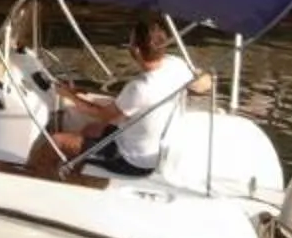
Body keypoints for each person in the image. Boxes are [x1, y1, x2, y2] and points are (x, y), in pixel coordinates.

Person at [54, 17, 210, 178]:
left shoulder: (139, 86)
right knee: (91, 129)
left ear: (136, 50)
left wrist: (69, 96)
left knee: (57, 141)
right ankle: (75, 174)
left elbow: (105, 115)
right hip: (156, 148)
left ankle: (40, 179)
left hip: (133, 160)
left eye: (130, 41)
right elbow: (205, 84)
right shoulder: (176, 63)